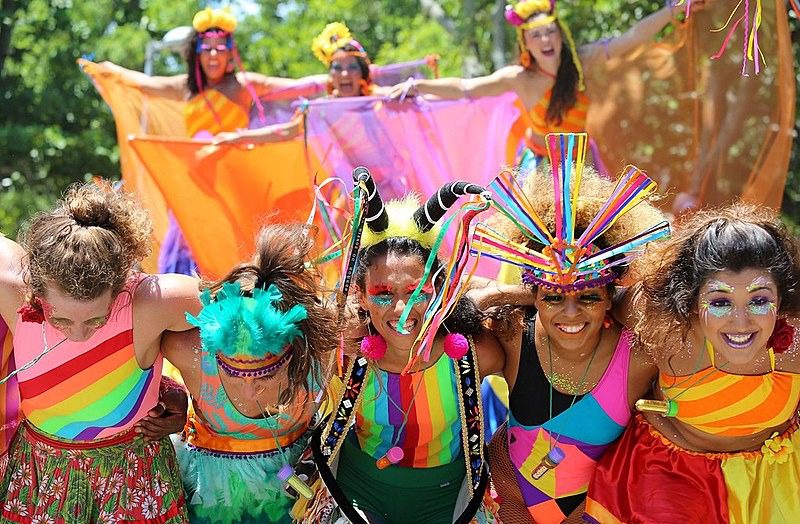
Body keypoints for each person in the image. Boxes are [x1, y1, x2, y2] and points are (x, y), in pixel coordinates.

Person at [468, 132, 669, 523]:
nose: (571, 315)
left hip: (602, 512)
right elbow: (460, 297)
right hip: (509, 506)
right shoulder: (513, 331)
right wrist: (523, 294)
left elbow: (668, 306)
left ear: (612, 295)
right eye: (554, 297)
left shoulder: (640, 354)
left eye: (589, 297)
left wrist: (563, 294)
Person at [301, 171, 505, 523]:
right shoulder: (342, 351)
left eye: (417, 291)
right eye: (383, 294)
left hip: (446, 502)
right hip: (356, 493)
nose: (401, 310)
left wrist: (505, 293)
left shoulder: (474, 354)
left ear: (440, 290)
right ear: (360, 296)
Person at [584, 203, 800, 523]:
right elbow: (593, 302)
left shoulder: (794, 342)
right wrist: (500, 296)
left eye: (758, 300)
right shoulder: (667, 329)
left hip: (772, 480)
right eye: (720, 302)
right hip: (669, 477)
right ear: (691, 298)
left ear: (781, 299)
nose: (740, 323)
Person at [0, 182, 200, 522]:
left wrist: (186, 395)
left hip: (133, 478)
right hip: (41, 478)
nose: (78, 334)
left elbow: (243, 310)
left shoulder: (151, 302)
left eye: (97, 319)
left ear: (122, 285)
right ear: (33, 286)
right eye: (60, 318)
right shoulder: (12, 292)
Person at [96, 7, 326, 273]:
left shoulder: (242, 85)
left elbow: (300, 85)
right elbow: (143, 83)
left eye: (220, 47)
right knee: (186, 240)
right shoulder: (185, 86)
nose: (214, 54)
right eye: (207, 48)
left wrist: (344, 76)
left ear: (230, 52)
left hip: (230, 179)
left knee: (231, 244)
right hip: (196, 181)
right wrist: (108, 70)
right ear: (197, 53)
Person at [160, 223, 336, 523]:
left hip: (296, 496)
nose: (248, 390)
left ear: (293, 351)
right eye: (232, 371)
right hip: (210, 501)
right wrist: (170, 395)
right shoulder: (187, 351)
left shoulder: (320, 351)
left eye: (265, 374)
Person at [390, 0, 709, 161]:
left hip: (581, 162)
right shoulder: (520, 78)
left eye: (550, 32)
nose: (545, 39)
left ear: (560, 35)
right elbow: (466, 88)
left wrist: (673, 9)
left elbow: (633, 36)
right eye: (537, 35)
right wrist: (418, 86)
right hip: (537, 166)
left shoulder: (582, 62)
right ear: (526, 43)